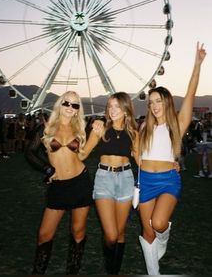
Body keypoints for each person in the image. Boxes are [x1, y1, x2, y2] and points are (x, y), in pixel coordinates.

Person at [137, 42, 206, 275]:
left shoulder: (176, 123)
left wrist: (197, 64)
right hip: (145, 180)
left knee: (157, 225)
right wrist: (137, 159)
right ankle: (153, 274)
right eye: (151, 102)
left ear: (166, 101)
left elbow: (190, 94)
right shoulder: (145, 125)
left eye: (158, 101)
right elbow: (136, 150)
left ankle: (163, 237)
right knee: (146, 232)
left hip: (167, 179)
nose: (154, 106)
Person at [25, 91, 93, 275]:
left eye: (75, 105)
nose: (70, 108)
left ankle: (73, 272)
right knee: (44, 235)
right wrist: (47, 169)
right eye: (67, 103)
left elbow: (82, 154)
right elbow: (30, 152)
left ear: (78, 109)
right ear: (60, 104)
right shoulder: (46, 128)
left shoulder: (80, 129)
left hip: (80, 184)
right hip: (58, 188)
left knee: (78, 232)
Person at [81, 92, 139, 275]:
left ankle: (113, 272)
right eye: (110, 106)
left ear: (126, 109)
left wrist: (170, 164)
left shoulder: (133, 133)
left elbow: (140, 160)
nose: (112, 110)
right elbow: (82, 154)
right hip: (104, 179)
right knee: (111, 235)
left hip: (126, 179)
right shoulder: (100, 128)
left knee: (120, 234)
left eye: (117, 106)